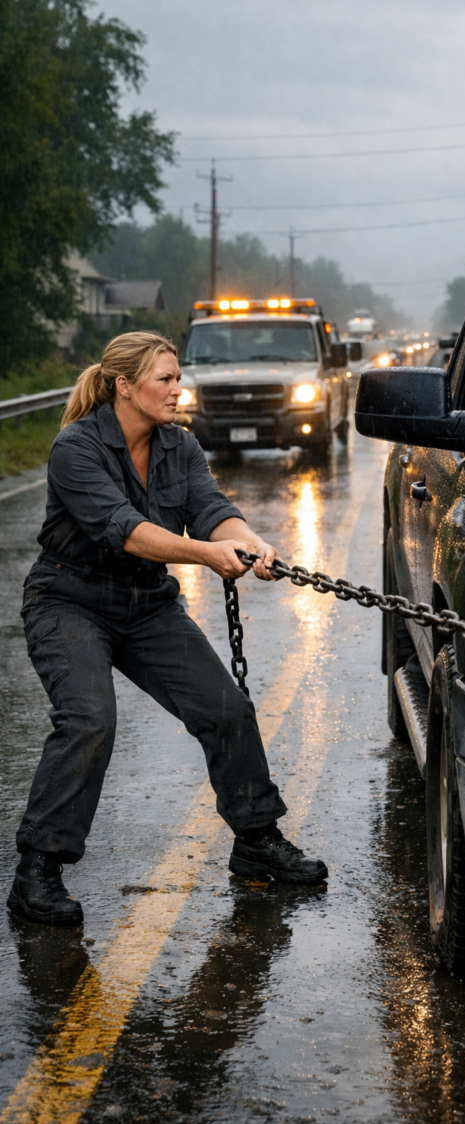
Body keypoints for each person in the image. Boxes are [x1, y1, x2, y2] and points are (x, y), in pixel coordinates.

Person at [8, 332, 327, 928]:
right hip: (69, 600)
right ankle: (37, 872)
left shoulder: (180, 445)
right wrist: (207, 555)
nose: (178, 389)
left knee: (226, 708)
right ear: (125, 386)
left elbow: (210, 510)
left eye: (178, 378)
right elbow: (125, 530)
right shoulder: (76, 448)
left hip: (146, 604)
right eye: (165, 379)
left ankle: (256, 840)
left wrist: (251, 543)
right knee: (89, 720)